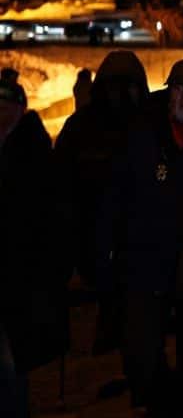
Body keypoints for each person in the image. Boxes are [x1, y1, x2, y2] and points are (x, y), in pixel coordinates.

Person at [103, 58, 183, 418]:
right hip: (146, 253)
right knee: (140, 347)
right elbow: (117, 190)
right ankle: (162, 402)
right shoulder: (143, 129)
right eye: (179, 88)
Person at [54, 51, 150, 358]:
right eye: (115, 86)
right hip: (92, 230)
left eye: (129, 86)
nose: (121, 95)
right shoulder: (81, 127)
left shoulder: (150, 124)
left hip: (138, 234)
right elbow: (62, 180)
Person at [1, 79, 62, 418]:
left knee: (11, 356)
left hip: (19, 268)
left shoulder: (32, 150)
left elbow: (47, 212)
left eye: (6, 107)